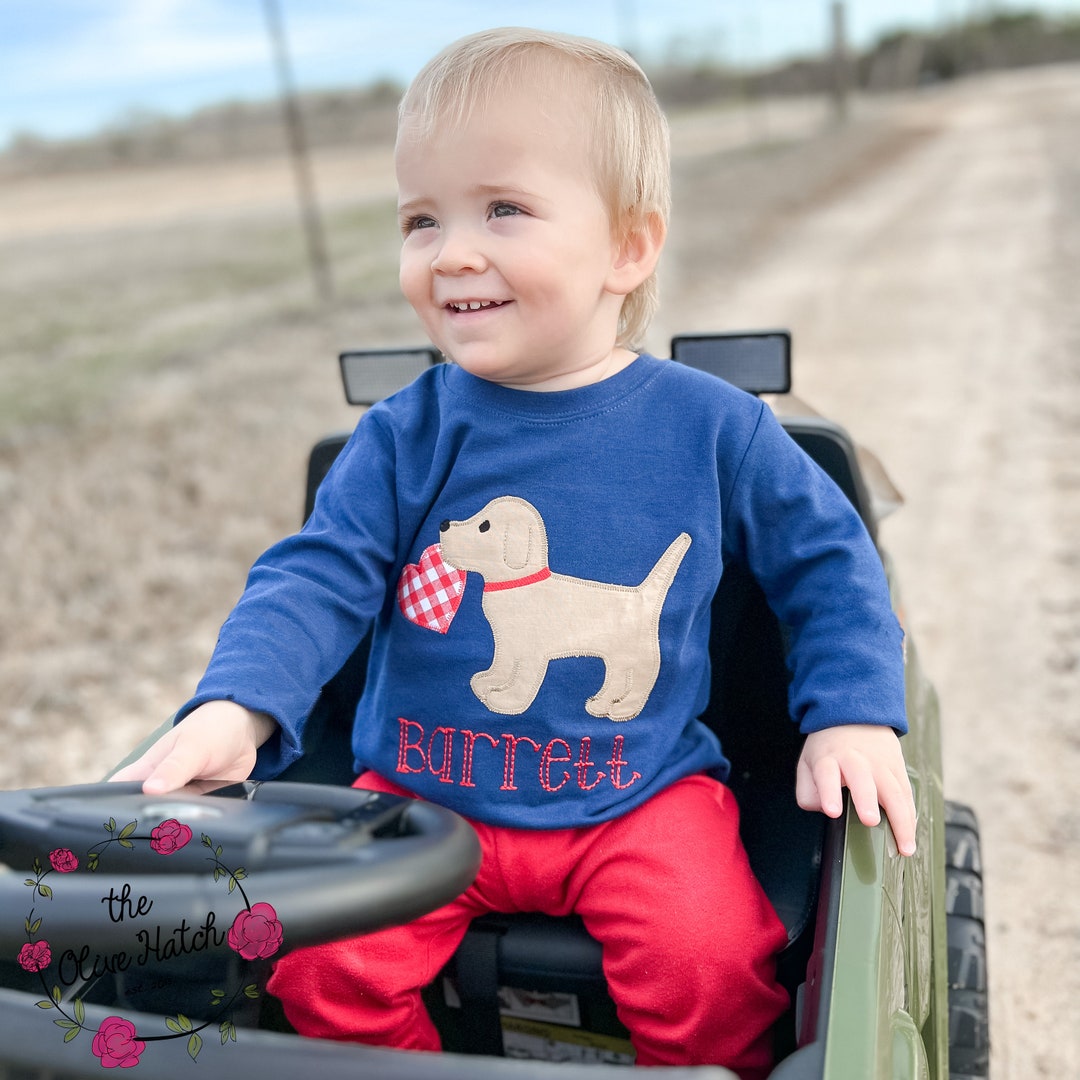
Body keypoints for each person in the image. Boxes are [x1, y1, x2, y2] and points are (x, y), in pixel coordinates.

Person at [113, 27, 916, 1078]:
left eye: (503, 209)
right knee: (315, 961)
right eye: (420, 219)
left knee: (711, 959)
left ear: (629, 247)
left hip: (638, 793)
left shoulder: (713, 428)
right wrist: (240, 705)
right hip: (420, 798)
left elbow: (828, 561)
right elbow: (320, 571)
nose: (449, 251)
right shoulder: (407, 434)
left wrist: (853, 709)